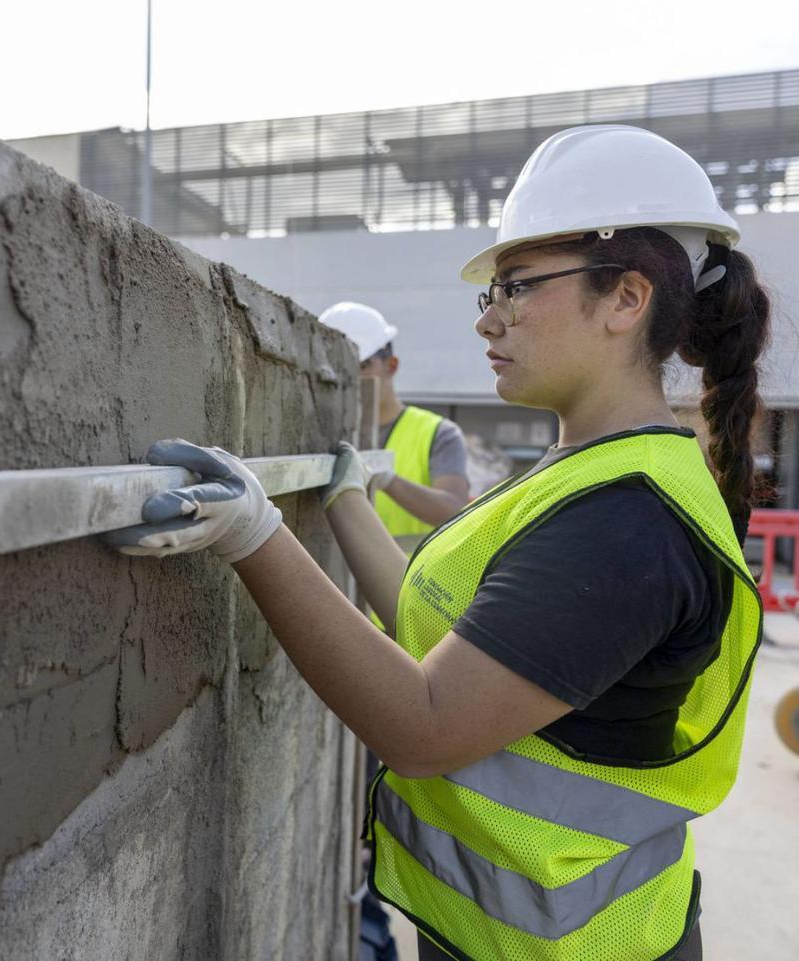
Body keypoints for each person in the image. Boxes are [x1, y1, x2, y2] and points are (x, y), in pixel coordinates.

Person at [106, 124, 767, 961]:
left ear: (626, 299)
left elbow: (423, 721)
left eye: (517, 287)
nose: (489, 319)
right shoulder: (588, 474)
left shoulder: (628, 520)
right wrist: (345, 498)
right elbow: (446, 633)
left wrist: (255, 535)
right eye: (491, 292)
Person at [318, 302, 470, 554]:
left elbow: (453, 510)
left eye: (362, 366)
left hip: (410, 576)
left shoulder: (438, 433)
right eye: (339, 367)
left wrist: (389, 480)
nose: (351, 377)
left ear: (391, 365)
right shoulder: (324, 433)